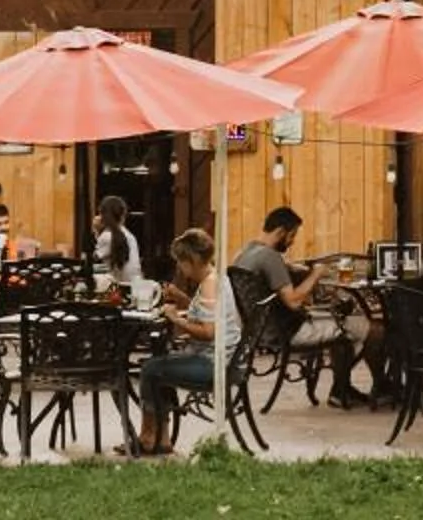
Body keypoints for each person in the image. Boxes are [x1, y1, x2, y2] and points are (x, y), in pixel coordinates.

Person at [233, 206, 376, 410]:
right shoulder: (270, 257)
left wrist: (289, 268)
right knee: (368, 327)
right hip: (289, 331)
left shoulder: (246, 252)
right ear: (281, 232)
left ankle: (341, 389)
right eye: (292, 236)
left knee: (335, 319)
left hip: (261, 330)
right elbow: (293, 301)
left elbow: (271, 279)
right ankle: (381, 388)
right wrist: (315, 275)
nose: (292, 242)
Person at [125, 230, 220, 457]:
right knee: (161, 363)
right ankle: (162, 438)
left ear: (193, 261)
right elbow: (206, 315)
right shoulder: (213, 278)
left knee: (151, 369)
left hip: (212, 364)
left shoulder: (209, 285)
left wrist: (175, 318)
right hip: (217, 357)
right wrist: (181, 299)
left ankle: (148, 437)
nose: (180, 269)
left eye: (181, 263)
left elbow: (208, 331)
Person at [85, 195, 141, 296]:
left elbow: (91, 260)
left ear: (102, 216)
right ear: (123, 215)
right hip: (136, 287)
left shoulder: (107, 236)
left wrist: (95, 231)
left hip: (121, 289)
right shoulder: (129, 235)